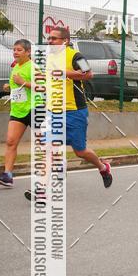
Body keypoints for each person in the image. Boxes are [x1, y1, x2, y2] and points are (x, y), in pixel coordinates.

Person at [24, 26, 112, 200]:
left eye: (54, 39)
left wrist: (65, 73)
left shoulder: (75, 56)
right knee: (47, 148)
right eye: (49, 38)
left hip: (74, 111)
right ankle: (40, 190)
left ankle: (103, 167)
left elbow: (88, 74)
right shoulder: (48, 58)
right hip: (53, 111)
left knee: (80, 151)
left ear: (65, 41)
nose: (50, 41)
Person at [0, 39, 35, 188]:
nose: (15, 52)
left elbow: (43, 87)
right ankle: (7, 176)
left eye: (19, 50)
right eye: (14, 49)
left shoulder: (33, 67)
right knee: (11, 142)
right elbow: (18, 88)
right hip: (18, 110)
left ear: (28, 52)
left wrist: (23, 82)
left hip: (35, 109)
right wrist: (9, 87)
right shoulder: (16, 67)